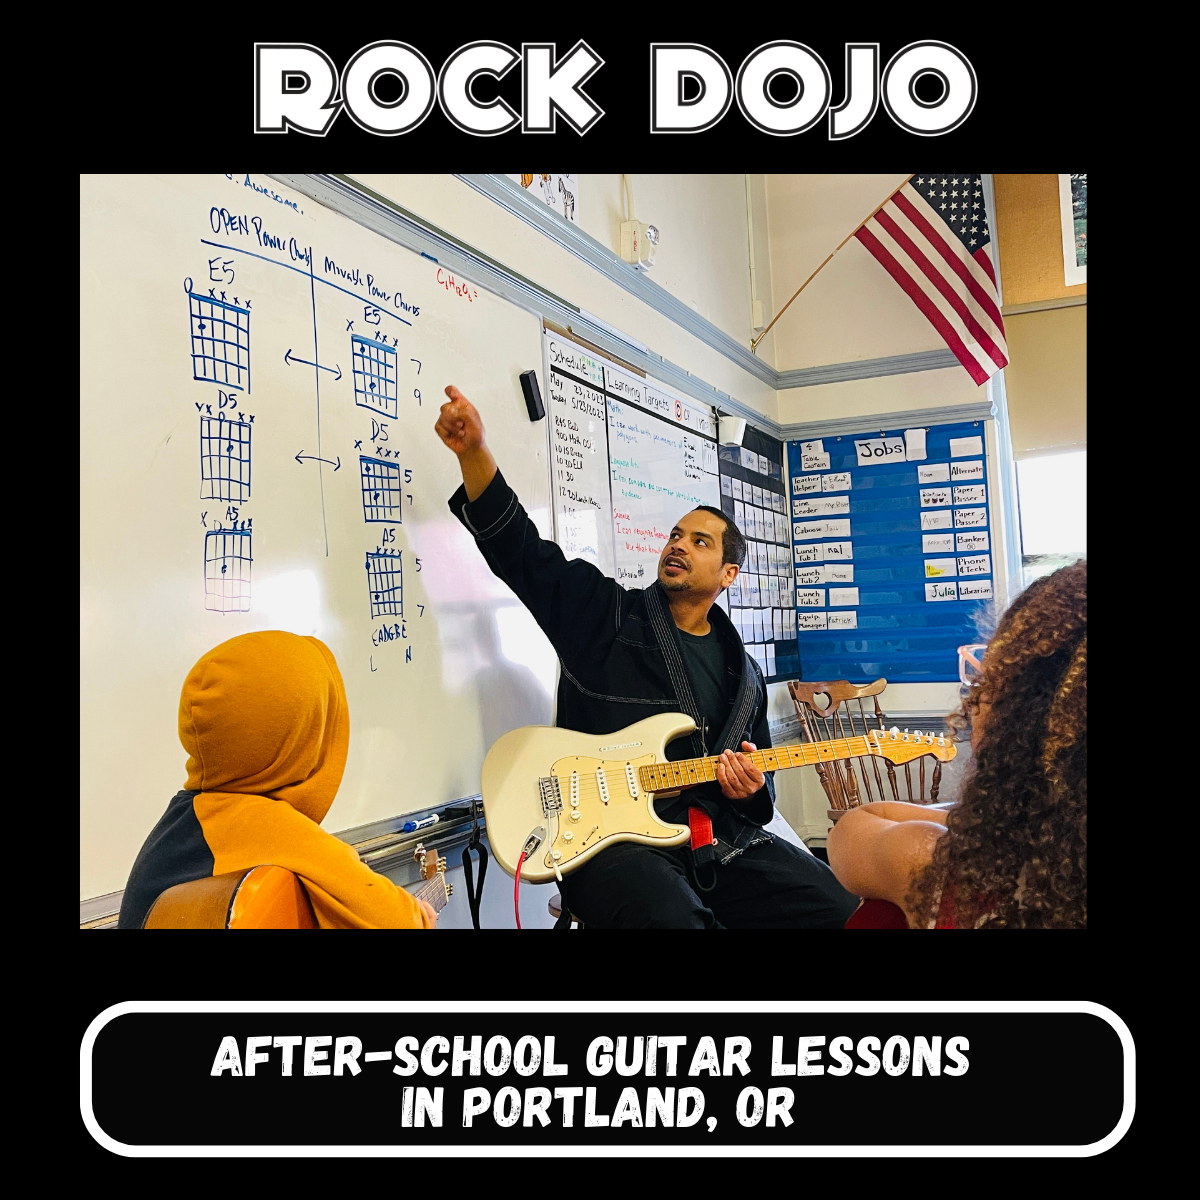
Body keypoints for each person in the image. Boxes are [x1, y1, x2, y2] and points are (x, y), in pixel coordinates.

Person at [436, 386, 857, 929]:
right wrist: (475, 454)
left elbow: (763, 791)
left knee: (844, 913)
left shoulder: (746, 677)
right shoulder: (605, 616)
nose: (679, 544)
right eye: (676, 534)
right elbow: (523, 554)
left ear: (729, 575)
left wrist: (749, 790)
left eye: (701, 542)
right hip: (611, 847)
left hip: (716, 841)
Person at [827, 560, 1087, 929]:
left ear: (1015, 713)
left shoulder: (935, 864)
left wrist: (983, 815)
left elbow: (851, 829)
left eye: (986, 673)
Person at [118, 630, 436, 929]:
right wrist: (420, 917)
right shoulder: (263, 826)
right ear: (301, 743)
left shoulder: (188, 817)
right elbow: (394, 918)